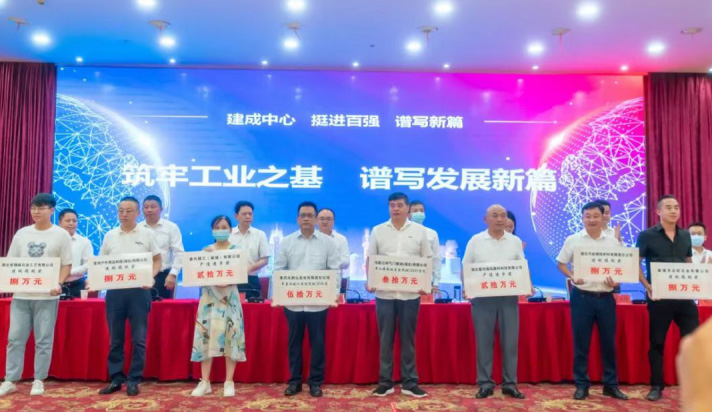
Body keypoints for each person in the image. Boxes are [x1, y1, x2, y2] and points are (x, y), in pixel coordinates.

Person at [0, 193, 73, 397]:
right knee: (15, 339)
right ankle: (10, 380)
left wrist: (59, 283)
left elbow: (67, 264)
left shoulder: (61, 235)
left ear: (52, 210)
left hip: (47, 296)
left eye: (41, 208)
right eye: (33, 208)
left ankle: (39, 380)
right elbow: (11, 263)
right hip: (21, 295)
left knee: (43, 340)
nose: (36, 212)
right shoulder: (22, 234)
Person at [556, 201, 628, 401]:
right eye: (587, 216)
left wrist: (617, 280)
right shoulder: (573, 240)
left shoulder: (613, 241)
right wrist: (572, 276)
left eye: (596, 215)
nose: (592, 220)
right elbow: (561, 263)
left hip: (605, 298)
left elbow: (622, 266)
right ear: (582, 218)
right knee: (581, 344)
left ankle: (610, 385)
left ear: (603, 216)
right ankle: (581, 385)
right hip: (582, 297)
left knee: (609, 344)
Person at [367, 192, 431, 398]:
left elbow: (426, 259)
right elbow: (371, 259)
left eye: (400, 205)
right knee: (385, 340)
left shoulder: (419, 231)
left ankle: (410, 382)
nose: (395, 209)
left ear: (407, 208)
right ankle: (385, 382)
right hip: (384, 294)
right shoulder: (378, 230)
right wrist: (370, 280)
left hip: (410, 295)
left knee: (408, 340)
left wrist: (425, 283)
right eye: (392, 205)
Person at [275, 201, 341, 398]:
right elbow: (279, 270)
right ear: (297, 219)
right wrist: (278, 295)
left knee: (318, 343)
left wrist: (334, 294)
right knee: (294, 343)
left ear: (316, 219)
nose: (306, 219)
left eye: (310, 215)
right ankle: (294, 382)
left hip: (318, 303)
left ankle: (315, 382)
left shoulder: (328, 242)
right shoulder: (287, 242)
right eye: (302, 215)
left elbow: (334, 270)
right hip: (293, 303)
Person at [636, 194, 698, 402]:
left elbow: (688, 261)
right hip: (659, 297)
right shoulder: (647, 235)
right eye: (669, 207)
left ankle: (694, 386)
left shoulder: (685, 236)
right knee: (657, 342)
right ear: (658, 211)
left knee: (692, 342)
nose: (674, 211)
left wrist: (696, 283)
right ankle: (656, 386)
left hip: (684, 297)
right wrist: (647, 286)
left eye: (677, 207)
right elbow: (636, 262)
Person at [98, 196, 161, 397]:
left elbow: (157, 260)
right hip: (115, 292)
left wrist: (150, 277)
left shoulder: (147, 234)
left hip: (139, 292)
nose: (124, 214)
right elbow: (101, 263)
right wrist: (95, 279)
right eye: (121, 210)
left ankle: (134, 379)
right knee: (115, 339)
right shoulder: (110, 235)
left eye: (129, 210)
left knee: (138, 339)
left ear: (137, 213)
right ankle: (116, 378)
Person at [462, 205, 526, 400]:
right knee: (484, 342)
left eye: (503, 216)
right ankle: (485, 383)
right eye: (495, 216)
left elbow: (521, 267)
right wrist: (466, 288)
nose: (499, 219)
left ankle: (510, 384)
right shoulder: (476, 241)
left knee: (510, 343)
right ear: (486, 219)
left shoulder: (514, 241)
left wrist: (527, 285)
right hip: (482, 298)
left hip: (508, 298)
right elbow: (466, 266)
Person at [190, 216, 246, 397]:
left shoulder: (237, 251)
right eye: (217, 227)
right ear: (212, 230)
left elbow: (241, 274)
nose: (221, 230)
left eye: (224, 227)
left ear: (230, 230)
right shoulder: (205, 251)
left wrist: (228, 280)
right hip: (209, 300)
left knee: (231, 337)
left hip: (230, 299)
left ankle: (229, 381)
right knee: (206, 337)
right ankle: (204, 382)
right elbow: (197, 275)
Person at [140, 195, 184, 299]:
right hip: (141, 276)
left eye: (153, 206)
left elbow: (179, 253)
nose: (149, 210)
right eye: (146, 207)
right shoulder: (138, 228)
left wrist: (173, 274)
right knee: (139, 307)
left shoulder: (171, 227)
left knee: (163, 308)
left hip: (163, 277)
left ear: (161, 209)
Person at [229, 201, 269, 299]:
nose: (247, 216)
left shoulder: (260, 234)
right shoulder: (228, 234)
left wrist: (248, 269)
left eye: (250, 214)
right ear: (236, 216)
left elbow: (265, 260)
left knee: (252, 307)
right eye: (244, 214)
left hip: (251, 280)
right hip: (231, 279)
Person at [58, 208, 94, 298]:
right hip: (54, 285)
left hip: (76, 285)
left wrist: (69, 272)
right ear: (60, 223)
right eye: (68, 221)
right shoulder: (52, 240)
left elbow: (89, 264)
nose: (71, 223)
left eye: (74, 221)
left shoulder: (84, 242)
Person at [408, 201, 442, 293]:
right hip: (405, 278)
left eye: (421, 211)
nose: (419, 213)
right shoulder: (402, 233)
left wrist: (435, 283)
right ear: (408, 214)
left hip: (426, 281)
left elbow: (436, 259)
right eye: (415, 211)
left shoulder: (432, 233)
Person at [317, 208, 350, 291]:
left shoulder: (341, 239)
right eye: (322, 219)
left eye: (328, 219)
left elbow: (346, 262)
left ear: (333, 221)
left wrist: (328, 261)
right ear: (316, 220)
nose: (325, 222)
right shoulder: (309, 239)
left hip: (333, 282)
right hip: (313, 281)